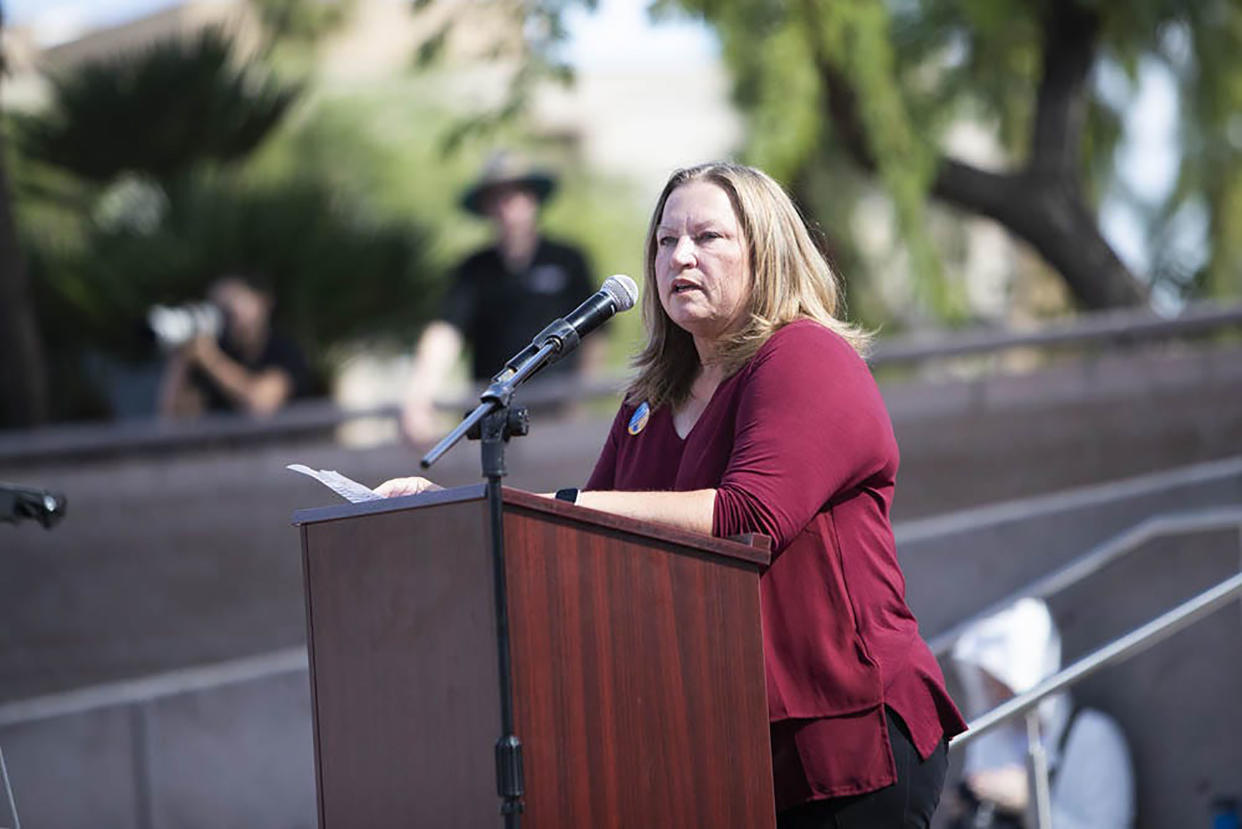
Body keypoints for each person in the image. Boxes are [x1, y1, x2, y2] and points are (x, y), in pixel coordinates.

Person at [378, 161, 967, 826]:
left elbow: (749, 517)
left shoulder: (805, 356)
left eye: (707, 237)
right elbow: (576, 546)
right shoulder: (648, 401)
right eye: (664, 241)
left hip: (843, 743)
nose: (679, 256)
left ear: (766, 251)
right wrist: (449, 515)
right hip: (716, 754)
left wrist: (555, 501)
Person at [399, 153, 604, 443]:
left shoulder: (568, 260)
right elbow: (446, 332)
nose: (509, 205)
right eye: (498, 196)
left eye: (517, 193)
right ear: (487, 207)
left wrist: (579, 400)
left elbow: (595, 335)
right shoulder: (474, 270)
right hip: (496, 412)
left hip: (556, 410)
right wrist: (420, 396)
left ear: (533, 199)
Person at [948, 598, 1135, 828]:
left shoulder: (1092, 736)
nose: (997, 697)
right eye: (988, 685)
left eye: (1003, 683)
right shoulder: (992, 740)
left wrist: (1031, 802)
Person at [158, 273, 310, 417]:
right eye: (219, 306)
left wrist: (209, 358)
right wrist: (182, 358)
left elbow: (260, 404)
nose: (227, 314)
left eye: (234, 302)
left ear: (263, 301)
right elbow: (173, 417)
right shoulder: (217, 352)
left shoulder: (285, 350)